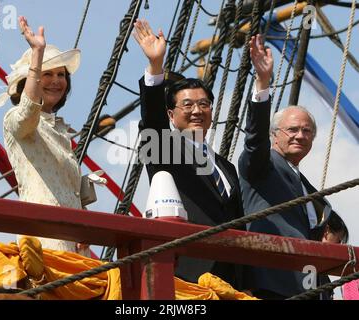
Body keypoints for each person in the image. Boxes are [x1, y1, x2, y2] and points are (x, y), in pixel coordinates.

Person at [133, 19, 269, 290]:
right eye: (187, 105)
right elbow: (152, 122)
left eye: (204, 104)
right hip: (187, 275)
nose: (197, 110)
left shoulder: (226, 168)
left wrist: (262, 83)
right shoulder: (163, 149)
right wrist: (156, 68)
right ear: (171, 114)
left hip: (232, 281)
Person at [238, 34, 334, 299]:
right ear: (275, 134)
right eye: (292, 129)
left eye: (306, 131)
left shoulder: (303, 183)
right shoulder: (261, 164)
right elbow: (254, 142)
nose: (300, 136)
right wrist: (262, 84)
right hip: (273, 282)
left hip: (309, 283)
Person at [0, 16, 89, 257]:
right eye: (47, 74)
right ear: (27, 81)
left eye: (61, 75)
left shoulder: (59, 129)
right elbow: (28, 111)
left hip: (75, 244)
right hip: (44, 240)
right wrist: (37, 54)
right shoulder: (15, 118)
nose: (57, 81)